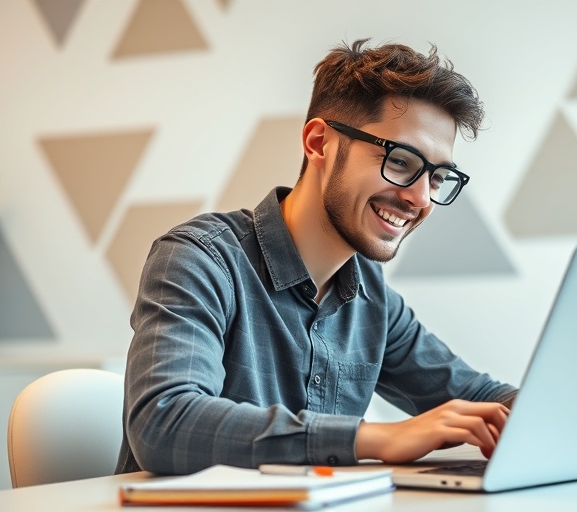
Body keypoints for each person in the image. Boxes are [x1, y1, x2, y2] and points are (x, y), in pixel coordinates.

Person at [116, 38, 518, 476]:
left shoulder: (370, 297)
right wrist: (379, 438)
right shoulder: (200, 260)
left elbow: (479, 398)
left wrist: (558, 413)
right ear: (319, 142)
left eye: (438, 178)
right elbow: (164, 422)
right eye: (401, 161)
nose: (420, 198)